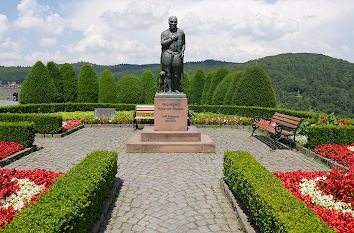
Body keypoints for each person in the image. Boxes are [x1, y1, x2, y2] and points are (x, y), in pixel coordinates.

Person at [160, 16, 185, 93]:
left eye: (175, 22)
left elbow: (184, 43)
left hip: (177, 54)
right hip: (167, 53)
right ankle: (169, 89)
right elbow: (162, 43)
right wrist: (172, 39)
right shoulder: (164, 33)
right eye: (171, 22)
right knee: (168, 73)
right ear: (169, 23)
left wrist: (182, 51)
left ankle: (176, 88)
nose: (173, 23)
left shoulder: (181, 32)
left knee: (177, 73)